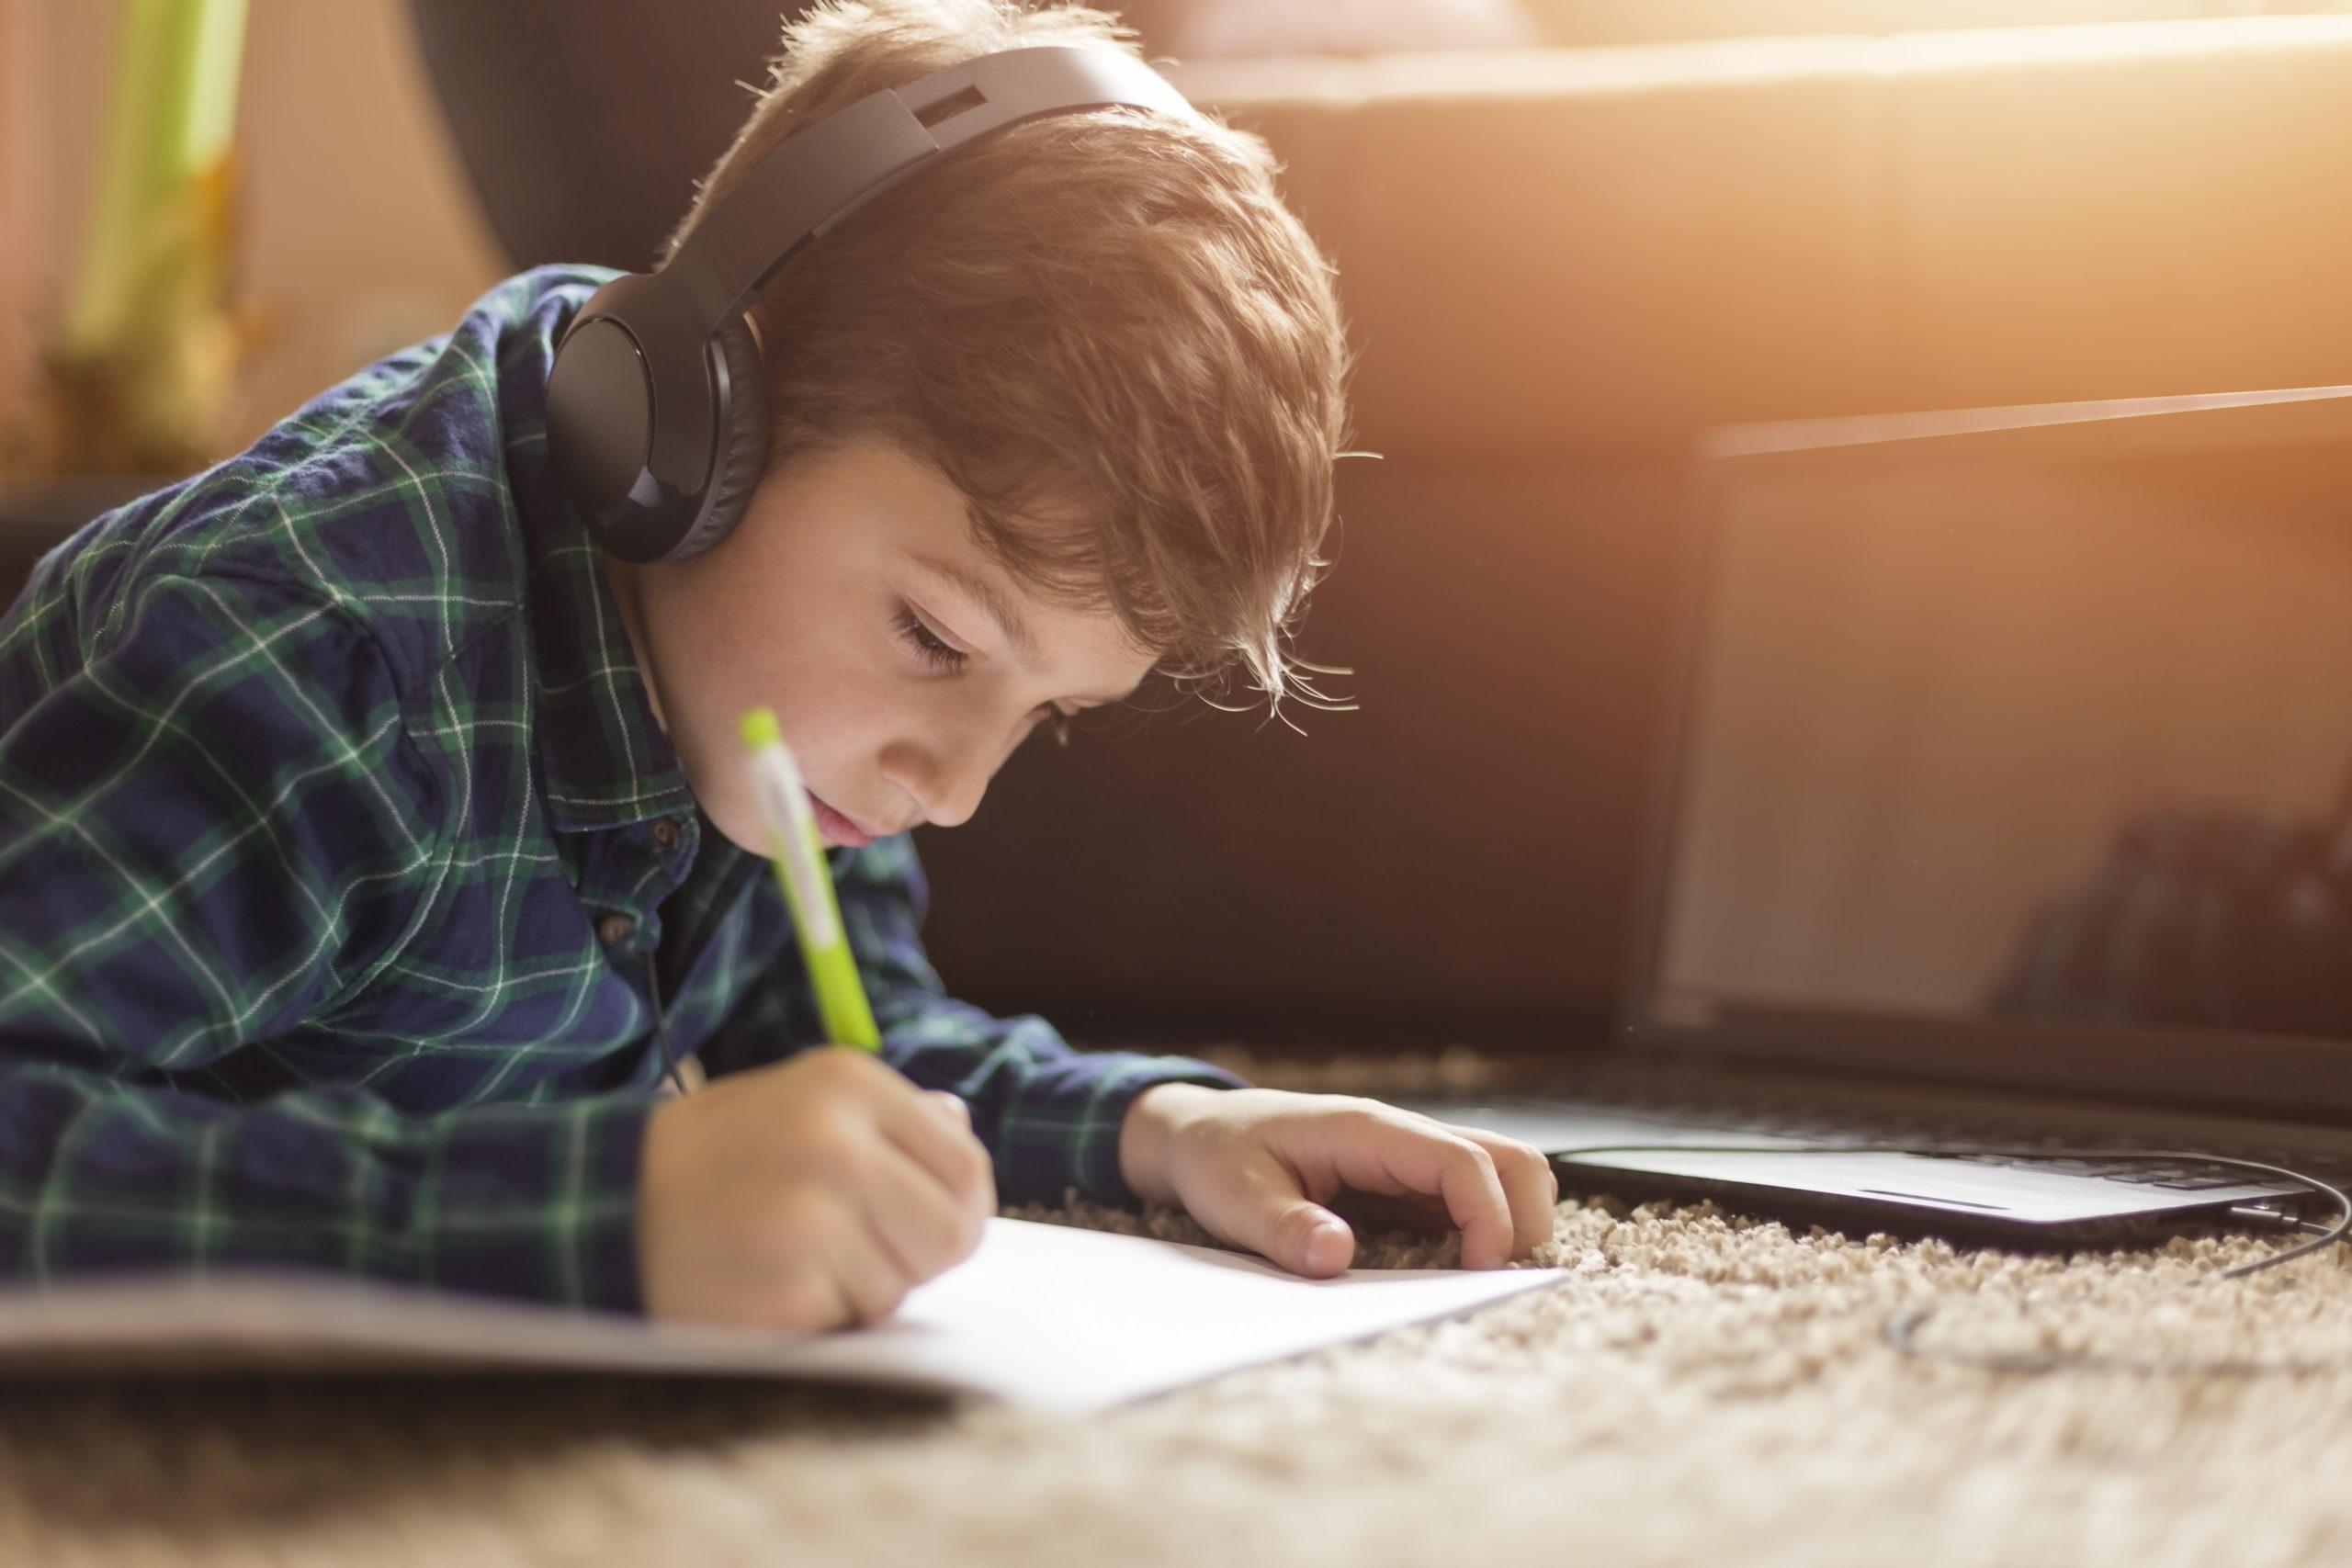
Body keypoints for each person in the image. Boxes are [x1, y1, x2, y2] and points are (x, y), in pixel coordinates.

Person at [0, 0, 1555, 1331]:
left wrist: (1166, 1127)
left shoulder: (777, 721)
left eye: (1050, 715)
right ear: (683, 426)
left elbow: (849, 1046)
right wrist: (597, 1225)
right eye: (939, 640)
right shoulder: (314, 662)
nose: (953, 791)